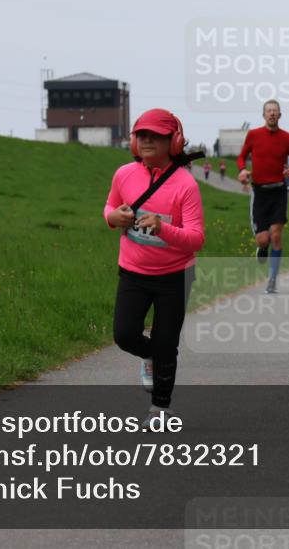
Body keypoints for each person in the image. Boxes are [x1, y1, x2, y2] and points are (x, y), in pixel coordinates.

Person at [104, 109, 205, 427]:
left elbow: (196, 238)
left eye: (156, 136)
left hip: (175, 275)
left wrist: (163, 229)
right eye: (141, 135)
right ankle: (152, 356)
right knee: (124, 335)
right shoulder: (124, 174)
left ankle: (160, 408)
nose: (147, 140)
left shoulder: (185, 185)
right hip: (133, 270)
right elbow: (110, 206)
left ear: (173, 141)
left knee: (166, 341)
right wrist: (112, 217)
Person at [237, 100, 289, 293]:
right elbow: (241, 157)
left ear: (280, 115)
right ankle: (262, 249)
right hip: (259, 192)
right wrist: (242, 170)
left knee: (276, 235)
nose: (272, 114)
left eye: (275, 111)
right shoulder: (254, 135)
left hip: (279, 191)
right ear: (264, 115)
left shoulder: (288, 138)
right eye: (269, 111)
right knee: (263, 239)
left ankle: (272, 279)